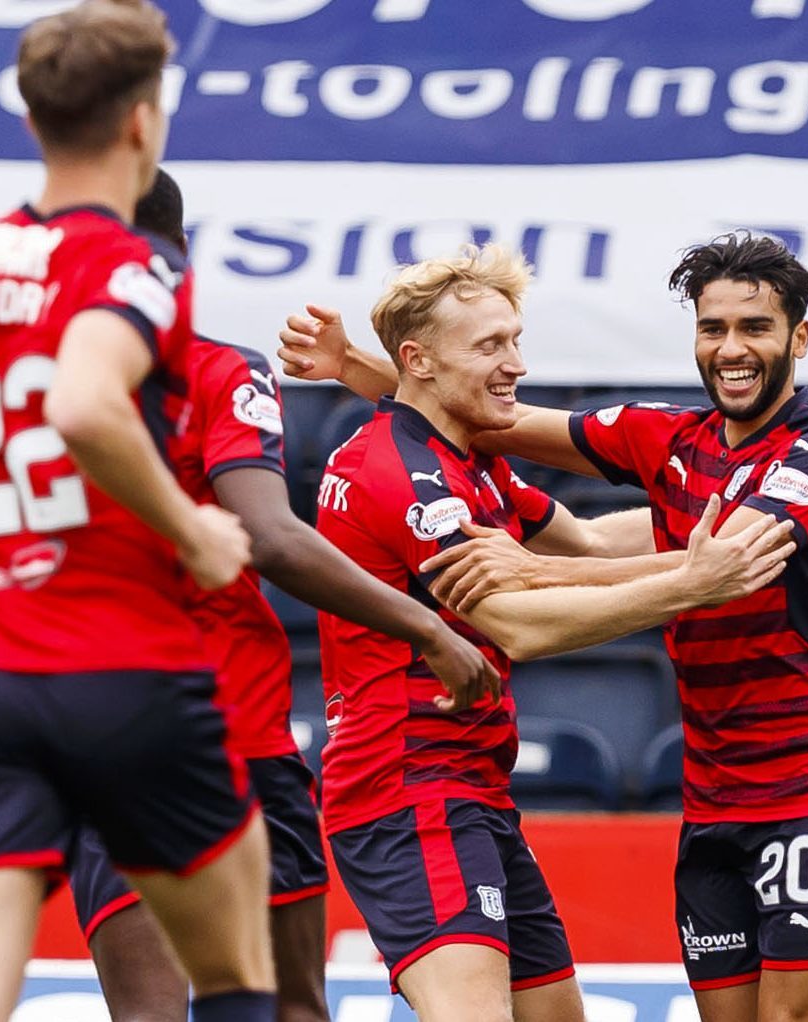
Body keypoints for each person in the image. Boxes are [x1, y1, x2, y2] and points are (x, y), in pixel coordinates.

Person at [278, 232, 808, 1022]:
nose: (731, 347)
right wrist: (364, 370)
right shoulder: (663, 441)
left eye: (755, 328)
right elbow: (491, 430)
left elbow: (709, 568)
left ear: (797, 338)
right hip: (442, 786)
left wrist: (536, 569)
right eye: (713, 328)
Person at [0, 4, 274, 1020]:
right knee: (237, 970)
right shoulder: (140, 263)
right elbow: (83, 401)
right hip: (124, 667)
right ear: (141, 124)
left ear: (33, 125)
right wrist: (189, 524)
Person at [64, 169, 500, 1022]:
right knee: (288, 1009)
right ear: (179, 258)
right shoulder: (219, 372)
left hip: (102, 731)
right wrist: (428, 629)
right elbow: (268, 536)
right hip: (232, 734)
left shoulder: (29, 390)